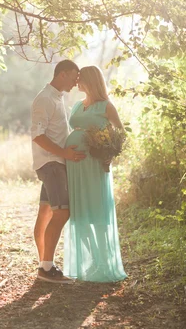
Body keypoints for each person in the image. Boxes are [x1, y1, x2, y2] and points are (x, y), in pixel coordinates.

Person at [63, 65, 127, 282]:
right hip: (74, 166)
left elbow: (120, 133)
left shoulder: (106, 106)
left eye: (80, 78)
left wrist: (109, 153)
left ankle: (104, 262)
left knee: (98, 213)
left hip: (94, 165)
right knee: (80, 213)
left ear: (90, 81)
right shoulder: (77, 106)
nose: (77, 81)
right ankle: (90, 260)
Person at [31, 59, 85, 283]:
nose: (76, 82)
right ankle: (46, 267)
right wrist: (64, 153)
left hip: (55, 163)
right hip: (51, 163)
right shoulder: (44, 99)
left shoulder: (57, 97)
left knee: (45, 212)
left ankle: (44, 262)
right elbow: (38, 135)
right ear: (62, 74)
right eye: (74, 77)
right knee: (62, 212)